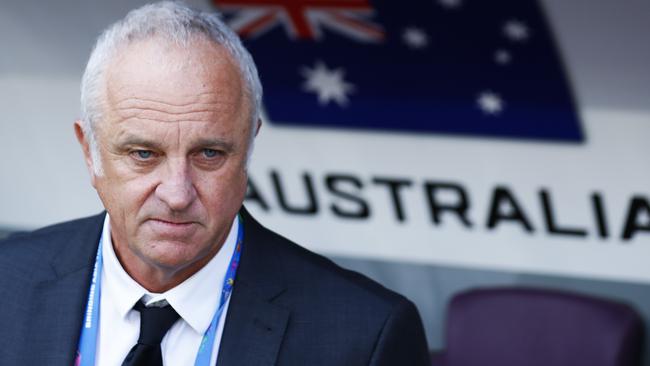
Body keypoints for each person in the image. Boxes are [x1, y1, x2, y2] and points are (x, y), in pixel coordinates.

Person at [0, 2, 430, 365]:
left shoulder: (364, 336)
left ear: (248, 148)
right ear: (89, 151)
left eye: (209, 154)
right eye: (143, 155)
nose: (176, 194)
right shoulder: (7, 285)